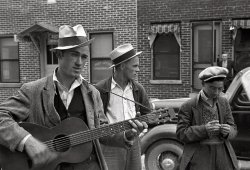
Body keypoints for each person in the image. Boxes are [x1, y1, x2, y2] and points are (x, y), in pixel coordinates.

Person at [0, 25, 147, 170]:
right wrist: (27, 141)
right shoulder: (33, 90)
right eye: (74, 55)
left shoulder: (92, 93)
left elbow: (101, 131)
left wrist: (126, 135)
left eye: (84, 57)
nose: (80, 62)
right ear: (59, 55)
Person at [95, 43, 152, 170]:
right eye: (135, 66)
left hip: (134, 142)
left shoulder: (138, 89)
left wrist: (143, 124)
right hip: (110, 145)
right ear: (122, 66)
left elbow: (148, 115)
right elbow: (96, 122)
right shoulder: (100, 89)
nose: (138, 70)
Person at [176, 66, 238, 170]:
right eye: (212, 88)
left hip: (223, 154)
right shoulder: (189, 106)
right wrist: (204, 130)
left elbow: (233, 128)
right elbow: (181, 134)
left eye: (220, 88)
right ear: (203, 84)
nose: (216, 92)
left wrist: (228, 131)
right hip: (199, 155)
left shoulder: (224, 103)